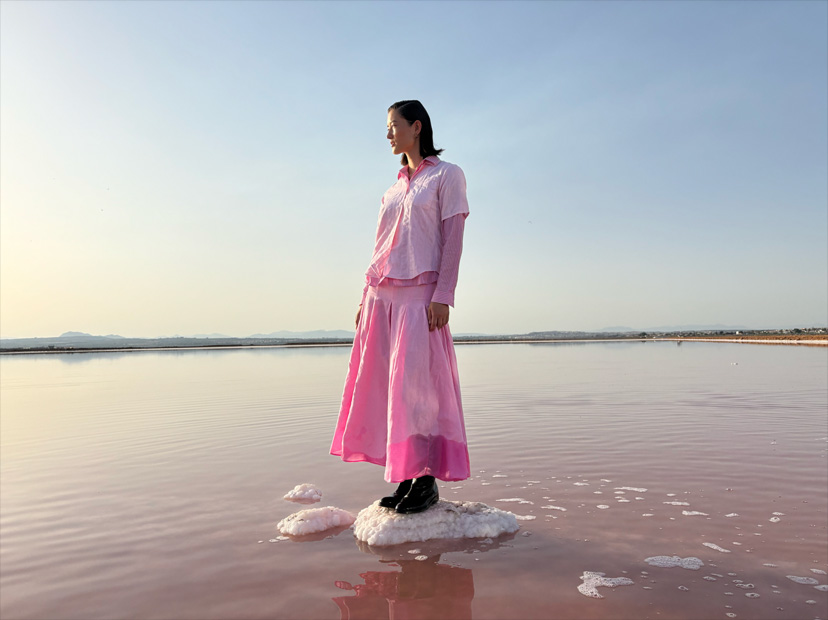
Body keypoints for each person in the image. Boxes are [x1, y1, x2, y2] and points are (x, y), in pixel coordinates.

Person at [330, 100, 471, 514]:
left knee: (419, 390)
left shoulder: (447, 176)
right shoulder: (392, 188)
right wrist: (363, 299)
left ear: (417, 126)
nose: (388, 134)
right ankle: (407, 476)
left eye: (393, 126)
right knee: (390, 389)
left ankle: (425, 481)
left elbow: (453, 238)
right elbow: (378, 247)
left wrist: (443, 295)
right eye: (387, 127)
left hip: (419, 296)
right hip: (381, 298)